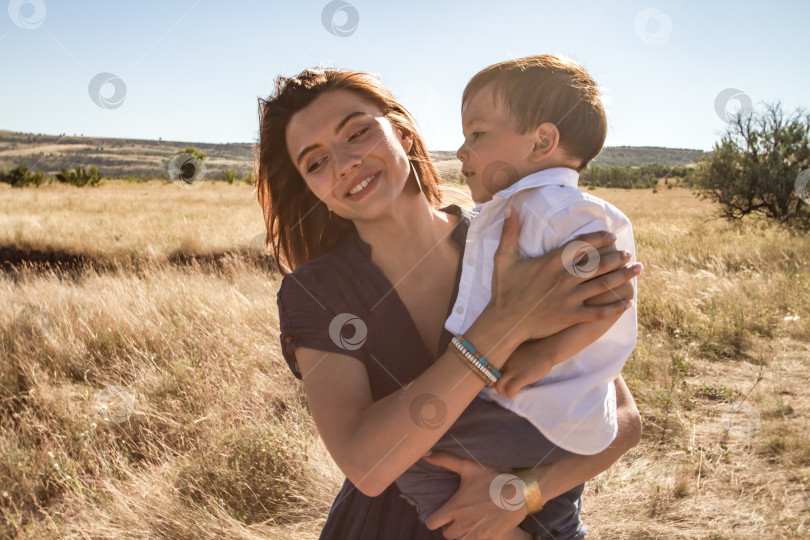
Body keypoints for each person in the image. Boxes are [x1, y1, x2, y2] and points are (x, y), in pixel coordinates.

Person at [255, 67, 643, 540]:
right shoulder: (317, 292)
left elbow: (621, 418)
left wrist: (523, 493)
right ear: (315, 192)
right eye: (315, 163)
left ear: (400, 132)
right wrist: (502, 325)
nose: (343, 163)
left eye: (357, 132)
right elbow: (367, 463)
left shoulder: (513, 232)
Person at [394, 55, 637, 539]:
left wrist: (545, 353)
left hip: (539, 406)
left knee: (406, 454)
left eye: (477, 134)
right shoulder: (518, 207)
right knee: (550, 508)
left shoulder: (561, 210)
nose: (462, 152)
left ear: (543, 141)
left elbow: (614, 289)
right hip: (528, 405)